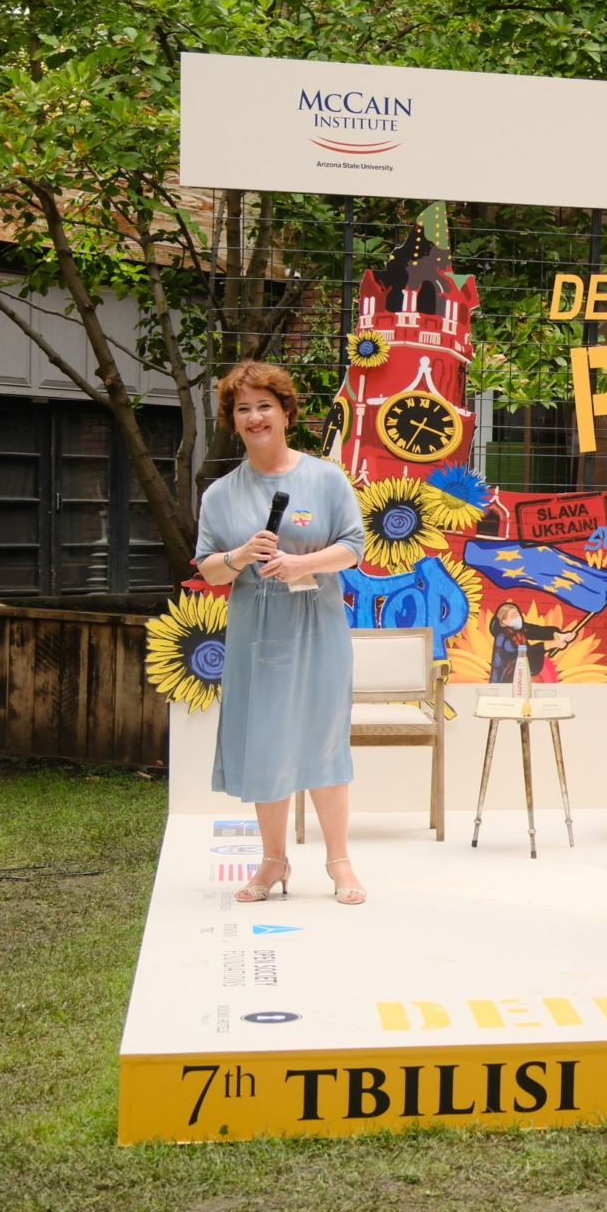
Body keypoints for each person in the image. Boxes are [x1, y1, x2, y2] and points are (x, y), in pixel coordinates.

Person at [196, 361, 370, 905]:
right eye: (242, 408)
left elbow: (354, 546)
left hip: (318, 628)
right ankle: (273, 862)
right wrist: (238, 555)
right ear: (233, 420)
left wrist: (305, 565)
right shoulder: (220, 494)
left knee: (323, 739)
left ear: (286, 412)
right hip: (257, 632)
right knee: (266, 742)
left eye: (264, 405)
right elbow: (208, 567)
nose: (254, 417)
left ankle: (339, 863)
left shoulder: (324, 477)